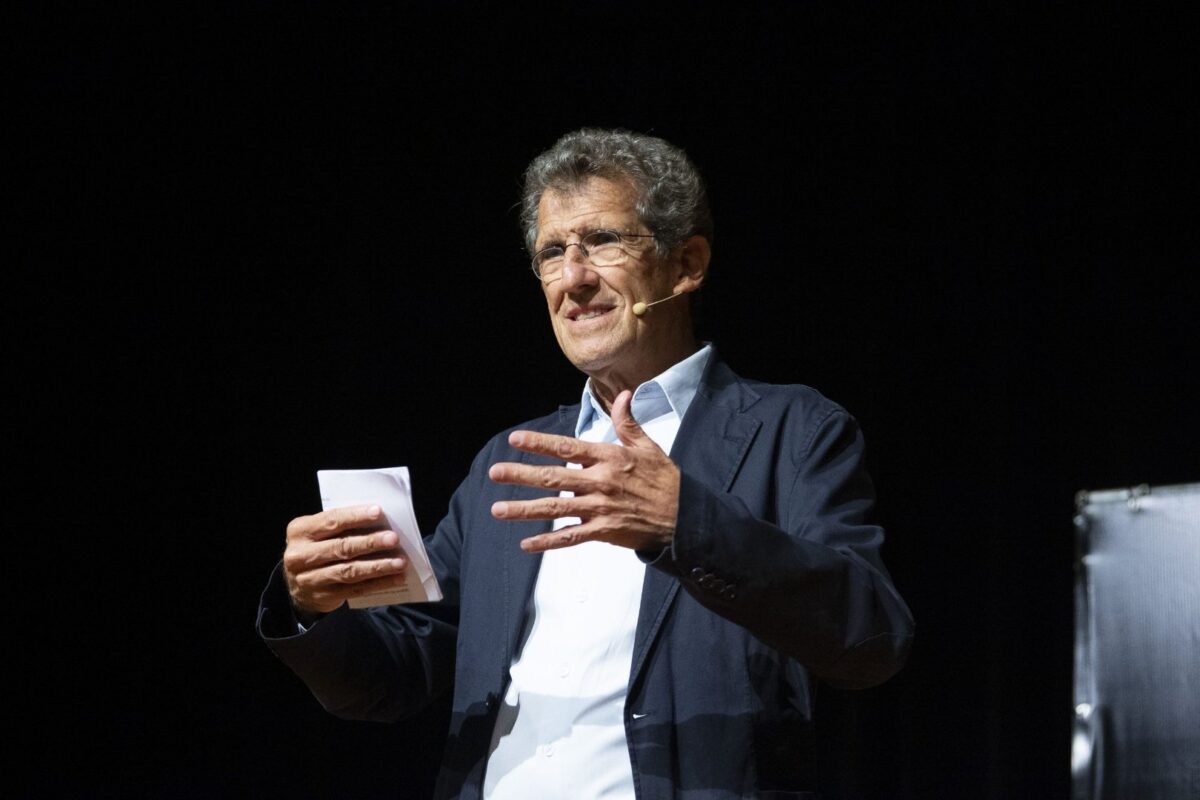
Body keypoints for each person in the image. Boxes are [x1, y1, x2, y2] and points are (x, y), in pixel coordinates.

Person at [257, 128, 914, 800]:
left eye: (602, 241)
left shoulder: (793, 432)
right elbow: (390, 678)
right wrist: (314, 607)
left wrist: (682, 523)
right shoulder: (509, 461)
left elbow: (870, 640)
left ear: (686, 263)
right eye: (551, 253)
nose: (573, 278)